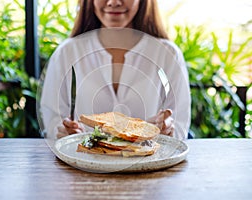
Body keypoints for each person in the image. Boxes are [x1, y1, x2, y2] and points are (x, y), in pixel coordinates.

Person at [40, 0, 191, 141]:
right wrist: (64, 133)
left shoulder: (168, 54)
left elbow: (179, 124)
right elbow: (52, 118)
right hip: (82, 163)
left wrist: (167, 130)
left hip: (148, 165)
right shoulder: (66, 53)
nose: (113, 2)